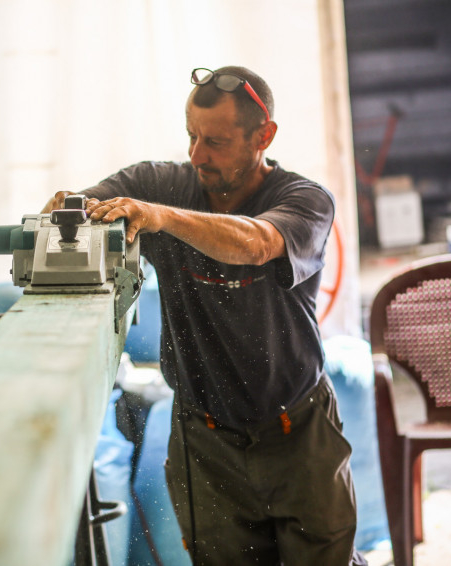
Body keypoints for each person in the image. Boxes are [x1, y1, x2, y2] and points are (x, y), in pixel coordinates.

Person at [43, 66, 367, 565]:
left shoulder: (304, 201)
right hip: (205, 439)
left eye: (215, 142)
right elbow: (85, 208)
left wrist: (162, 217)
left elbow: (256, 243)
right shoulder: (156, 184)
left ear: (263, 136)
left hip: (297, 430)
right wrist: (72, 209)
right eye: (191, 136)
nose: (197, 155)